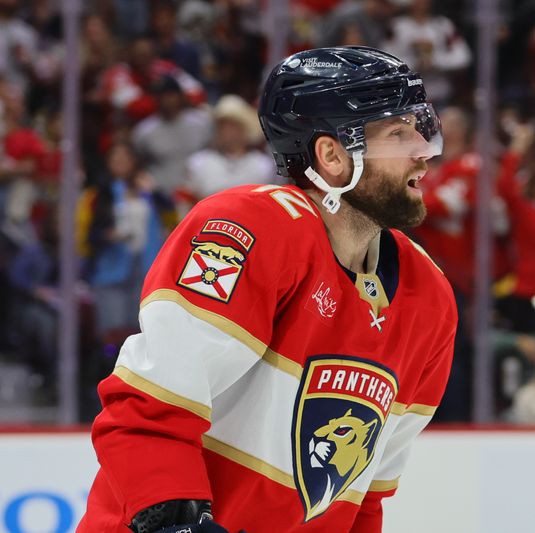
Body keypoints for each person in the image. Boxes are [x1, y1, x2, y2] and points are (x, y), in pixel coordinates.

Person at [78, 46, 457, 533]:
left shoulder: (430, 298)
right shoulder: (250, 230)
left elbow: (362, 495)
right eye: (398, 134)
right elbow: (149, 414)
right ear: (333, 155)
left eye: (420, 129)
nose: (423, 150)